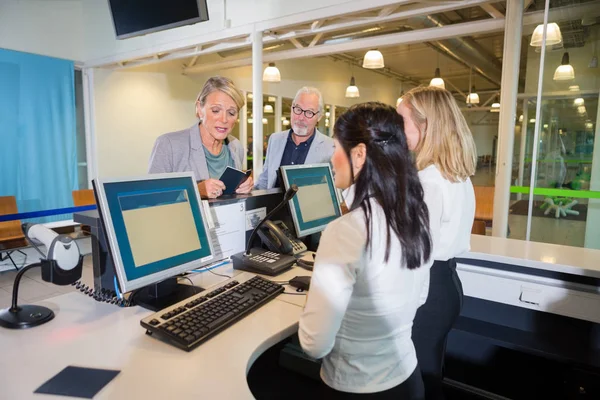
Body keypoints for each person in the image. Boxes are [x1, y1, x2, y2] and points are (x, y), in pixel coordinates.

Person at [298, 102, 433, 399]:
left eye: (335, 148)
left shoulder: (346, 230)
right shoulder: (416, 214)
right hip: (407, 379)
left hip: (355, 386)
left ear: (358, 154)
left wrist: (314, 300)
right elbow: (420, 296)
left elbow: (314, 345)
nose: (331, 159)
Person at [397, 86, 476, 400]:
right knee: (430, 373)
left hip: (427, 292)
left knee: (414, 383)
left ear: (425, 125)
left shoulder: (429, 180)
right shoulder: (455, 173)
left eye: (401, 121)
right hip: (448, 285)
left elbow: (414, 253)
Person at [148, 76, 253, 199]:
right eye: (215, 110)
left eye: (231, 113)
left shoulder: (236, 146)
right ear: (199, 109)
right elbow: (152, 198)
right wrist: (196, 191)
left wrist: (244, 187)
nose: (224, 119)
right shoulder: (169, 144)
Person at [255, 87, 334, 189]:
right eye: (298, 109)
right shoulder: (275, 140)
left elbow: (334, 192)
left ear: (319, 117)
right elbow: (265, 180)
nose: (301, 117)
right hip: (274, 205)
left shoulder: (331, 148)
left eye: (309, 112)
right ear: (292, 108)